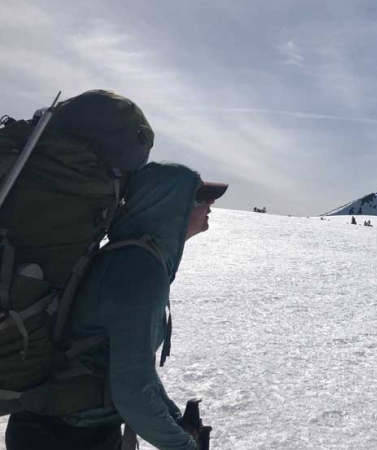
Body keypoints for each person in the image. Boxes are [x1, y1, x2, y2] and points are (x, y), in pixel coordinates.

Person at [4, 162, 228, 450]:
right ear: (168, 205)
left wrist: (173, 419)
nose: (210, 204)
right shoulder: (138, 270)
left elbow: (131, 369)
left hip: (64, 426)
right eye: (199, 198)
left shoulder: (135, 257)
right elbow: (133, 393)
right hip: (66, 436)